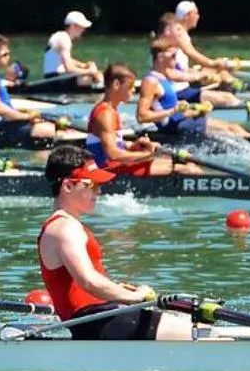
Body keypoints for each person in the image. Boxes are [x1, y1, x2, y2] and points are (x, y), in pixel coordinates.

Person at [37, 145, 194, 341]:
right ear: (68, 186)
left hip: (104, 317)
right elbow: (87, 281)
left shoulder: (64, 225)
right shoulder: (64, 229)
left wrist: (120, 290)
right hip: (100, 322)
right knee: (210, 335)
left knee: (203, 328)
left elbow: (86, 281)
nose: (99, 192)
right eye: (92, 185)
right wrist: (134, 298)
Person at [83, 65, 204, 176]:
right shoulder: (105, 114)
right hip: (109, 171)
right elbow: (113, 154)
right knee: (190, 170)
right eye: (130, 87)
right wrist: (147, 155)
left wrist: (133, 145)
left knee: (182, 162)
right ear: (116, 85)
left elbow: (111, 146)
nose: (134, 91)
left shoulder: (111, 110)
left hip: (117, 165)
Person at [139, 39, 250, 144]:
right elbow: (142, 116)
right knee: (233, 129)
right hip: (174, 126)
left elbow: (166, 106)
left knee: (234, 127)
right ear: (160, 57)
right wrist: (173, 111)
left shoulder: (164, 77)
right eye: (173, 56)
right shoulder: (151, 82)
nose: (176, 59)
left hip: (179, 120)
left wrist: (195, 109)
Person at [0, 33, 64, 147]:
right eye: (5, 54)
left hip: (7, 125)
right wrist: (26, 117)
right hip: (3, 129)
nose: (8, 57)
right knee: (51, 130)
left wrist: (23, 115)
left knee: (52, 125)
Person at [165, 0, 240, 90]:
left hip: (181, 75)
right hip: (178, 84)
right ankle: (237, 90)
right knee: (222, 74)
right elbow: (192, 54)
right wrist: (213, 63)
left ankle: (233, 86)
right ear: (187, 16)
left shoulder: (178, 32)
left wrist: (210, 66)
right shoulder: (180, 34)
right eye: (195, 13)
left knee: (217, 71)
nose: (198, 16)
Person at [43, 10, 102, 86]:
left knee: (97, 74)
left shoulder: (59, 35)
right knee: (100, 77)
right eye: (81, 26)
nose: (83, 29)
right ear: (73, 26)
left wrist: (83, 65)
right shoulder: (64, 40)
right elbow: (69, 69)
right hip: (56, 79)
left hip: (52, 76)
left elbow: (63, 59)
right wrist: (90, 71)